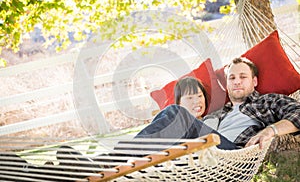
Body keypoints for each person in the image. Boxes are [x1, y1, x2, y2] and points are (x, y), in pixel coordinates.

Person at [0, 76, 211, 181]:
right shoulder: (173, 129)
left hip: (225, 151)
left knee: (175, 115)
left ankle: (99, 163)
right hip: (182, 156)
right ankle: (37, 172)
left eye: (199, 96)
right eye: (189, 98)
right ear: (180, 100)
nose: (196, 102)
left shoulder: (220, 115)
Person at [136, 57, 300, 150]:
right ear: (227, 83)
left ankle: (121, 157)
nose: (237, 82)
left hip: (231, 156)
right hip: (198, 155)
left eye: (243, 77)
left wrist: (270, 131)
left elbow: (298, 113)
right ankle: (128, 167)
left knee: (175, 112)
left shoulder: (265, 101)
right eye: (232, 78)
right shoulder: (215, 113)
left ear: (254, 81)